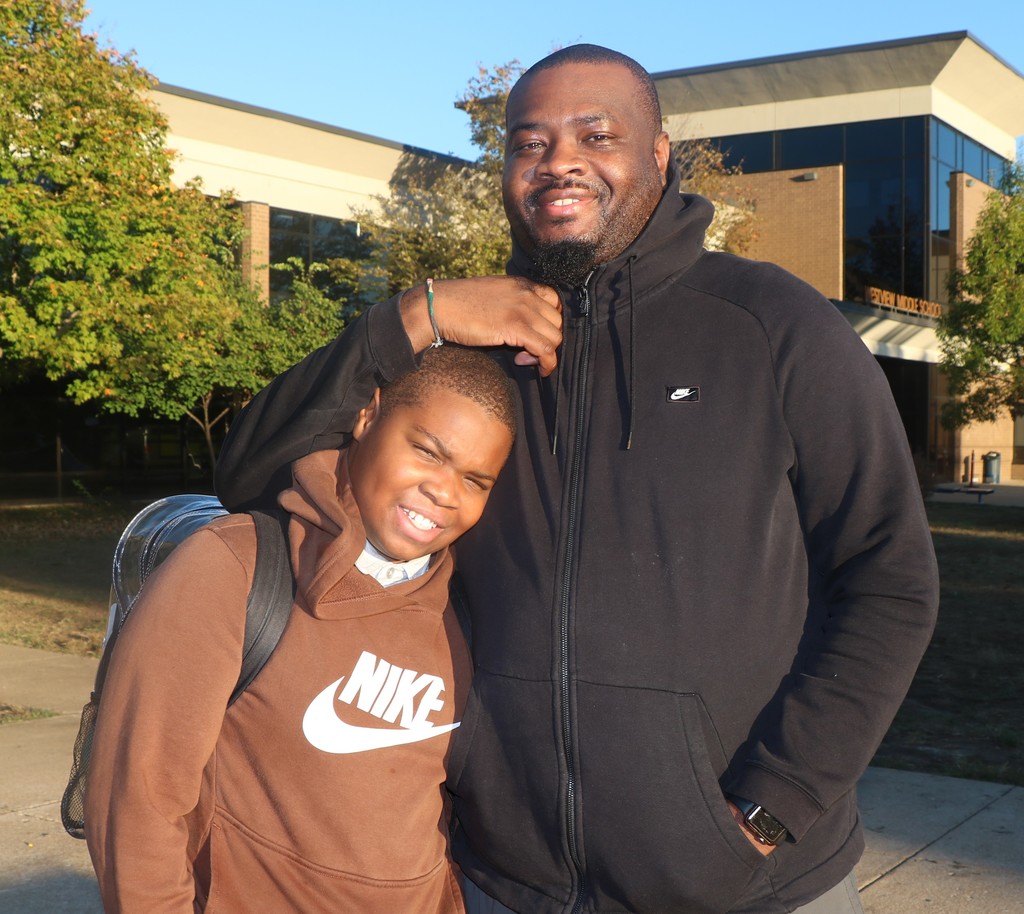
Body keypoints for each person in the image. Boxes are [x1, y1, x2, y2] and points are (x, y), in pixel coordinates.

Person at [214, 45, 939, 914]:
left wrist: (773, 807)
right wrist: (417, 312)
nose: (559, 160)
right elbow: (246, 471)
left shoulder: (774, 325)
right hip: (507, 878)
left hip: (749, 884)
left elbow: (889, 579)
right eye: (528, 142)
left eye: (597, 134)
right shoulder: (462, 350)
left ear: (659, 156)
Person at [85, 346, 517, 913]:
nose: (446, 491)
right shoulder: (234, 566)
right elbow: (135, 802)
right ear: (368, 415)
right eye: (426, 451)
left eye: (476, 481)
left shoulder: (462, 612)